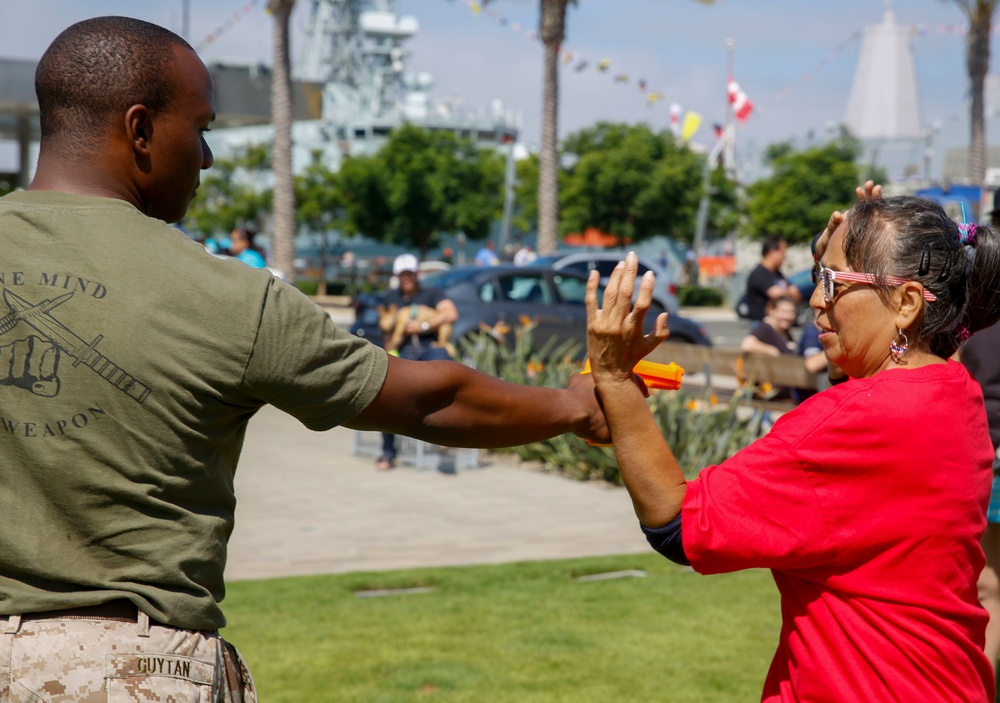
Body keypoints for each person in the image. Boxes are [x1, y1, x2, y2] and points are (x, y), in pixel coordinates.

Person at [0, 17, 611, 701]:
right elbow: (427, 400)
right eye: (199, 127)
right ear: (139, 130)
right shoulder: (223, 295)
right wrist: (577, 405)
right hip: (128, 671)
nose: (205, 156)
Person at [585, 188, 1000, 700]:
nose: (815, 298)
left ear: (907, 302)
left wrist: (614, 378)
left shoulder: (855, 421)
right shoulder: (956, 393)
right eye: (816, 278)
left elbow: (677, 523)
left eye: (831, 281)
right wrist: (848, 253)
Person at [375, 253, 459, 470]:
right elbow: (386, 330)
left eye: (410, 274)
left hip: (429, 347)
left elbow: (451, 314)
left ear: (417, 274)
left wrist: (424, 326)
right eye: (403, 274)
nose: (407, 278)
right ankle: (388, 451)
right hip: (402, 349)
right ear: (397, 276)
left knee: (446, 369)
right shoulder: (390, 298)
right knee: (385, 393)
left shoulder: (433, 293)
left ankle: (447, 432)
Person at [966, 321, 1000, 669]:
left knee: (989, 583)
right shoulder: (973, 317)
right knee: (986, 581)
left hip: (990, 456)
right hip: (983, 457)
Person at [739, 296, 798, 401]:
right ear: (771, 311)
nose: (788, 316)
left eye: (791, 312)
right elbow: (747, 344)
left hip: (780, 385)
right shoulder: (766, 328)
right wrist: (772, 351)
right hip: (771, 390)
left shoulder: (783, 331)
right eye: (783, 312)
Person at [743, 235, 801, 328]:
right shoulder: (759, 273)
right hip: (761, 324)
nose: (785, 257)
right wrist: (788, 292)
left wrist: (787, 292)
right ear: (772, 252)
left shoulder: (777, 273)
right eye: (783, 252)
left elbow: (795, 293)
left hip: (777, 325)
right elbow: (775, 293)